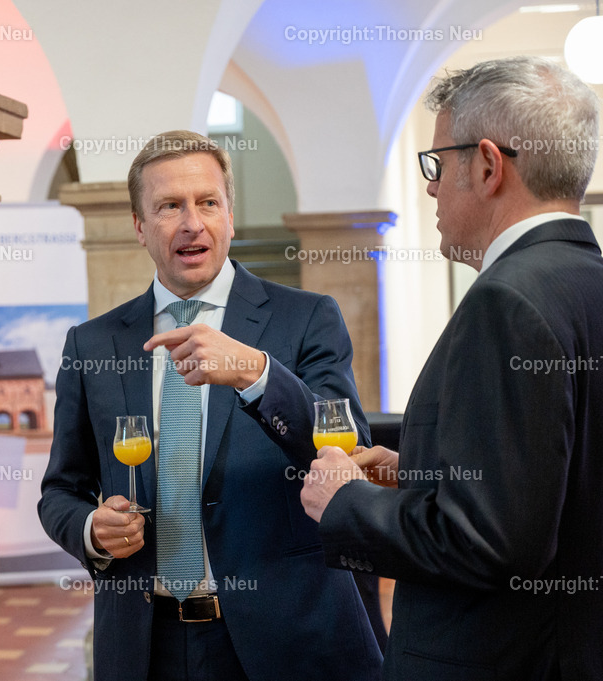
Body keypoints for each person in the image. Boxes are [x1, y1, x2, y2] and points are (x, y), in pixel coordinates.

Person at [301, 56, 603, 680]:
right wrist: (420, 472)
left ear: (489, 165)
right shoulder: (585, 282)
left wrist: (345, 502)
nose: (432, 186)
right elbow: (552, 484)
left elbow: (488, 544)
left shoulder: (506, 302)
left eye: (438, 163)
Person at [39, 130, 382, 681]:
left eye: (207, 203)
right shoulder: (93, 343)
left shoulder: (307, 316)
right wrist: (90, 531)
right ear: (139, 226)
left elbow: (346, 448)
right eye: (169, 206)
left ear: (228, 214)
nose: (192, 223)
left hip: (287, 639)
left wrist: (255, 372)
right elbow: (61, 488)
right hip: (146, 646)